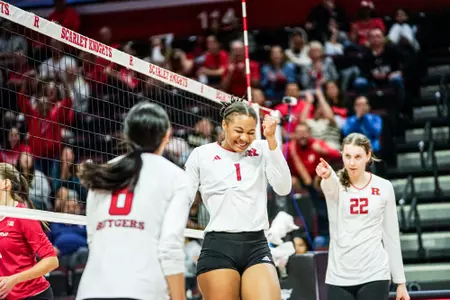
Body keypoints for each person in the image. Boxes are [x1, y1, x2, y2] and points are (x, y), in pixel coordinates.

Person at [76, 101, 190, 300]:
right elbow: (170, 246)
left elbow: (93, 238)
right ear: (167, 135)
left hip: (91, 290)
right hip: (143, 290)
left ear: (127, 135)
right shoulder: (176, 177)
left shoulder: (102, 172)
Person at [184, 98, 292, 300]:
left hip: (257, 245)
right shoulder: (201, 154)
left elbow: (284, 188)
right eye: (238, 131)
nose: (244, 138)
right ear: (224, 125)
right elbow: (184, 198)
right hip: (219, 247)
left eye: (251, 132)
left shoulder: (261, 149)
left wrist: (271, 142)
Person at [315, 133, 410, 300]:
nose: (352, 163)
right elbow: (329, 186)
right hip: (339, 275)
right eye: (348, 156)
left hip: (375, 274)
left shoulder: (384, 187)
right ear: (342, 156)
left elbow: (391, 236)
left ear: (368, 156)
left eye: (358, 156)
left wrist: (400, 282)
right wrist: (328, 174)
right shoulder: (335, 183)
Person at [0, 163, 58, 300]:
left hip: (33, 295)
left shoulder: (23, 216)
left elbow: (52, 260)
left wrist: (13, 279)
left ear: (6, 184)